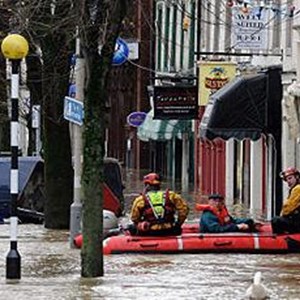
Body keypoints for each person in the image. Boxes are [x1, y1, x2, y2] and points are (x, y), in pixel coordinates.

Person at [271, 167, 300, 234]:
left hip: (297, 222)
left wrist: (282, 215)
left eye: (290, 178)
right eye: (287, 179)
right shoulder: (294, 189)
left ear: (297, 177)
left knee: (276, 220)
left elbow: (288, 208)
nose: (288, 181)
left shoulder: (297, 189)